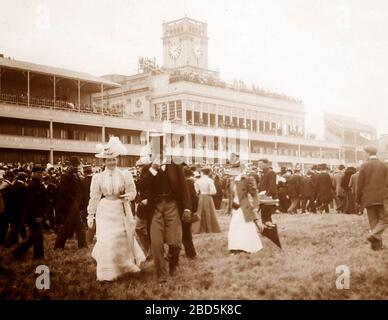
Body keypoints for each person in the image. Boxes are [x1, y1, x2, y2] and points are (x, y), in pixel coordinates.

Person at [87, 137, 145, 281]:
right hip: (105, 209)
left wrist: (128, 196)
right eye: (109, 160)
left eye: (114, 159)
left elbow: (133, 192)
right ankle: (107, 272)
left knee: (121, 238)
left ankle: (124, 266)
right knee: (107, 239)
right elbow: (94, 196)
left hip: (121, 208)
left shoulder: (125, 174)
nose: (112, 162)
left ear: (117, 159)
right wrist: (91, 215)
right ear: (104, 162)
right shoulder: (98, 177)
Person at [137, 152, 192, 283]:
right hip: (155, 208)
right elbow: (140, 186)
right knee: (156, 243)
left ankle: (173, 264)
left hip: (172, 205)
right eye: (156, 152)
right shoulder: (147, 168)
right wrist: (153, 170)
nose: (160, 155)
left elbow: (184, 188)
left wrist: (187, 208)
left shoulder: (175, 166)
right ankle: (161, 274)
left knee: (176, 242)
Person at [226, 153, 263, 254]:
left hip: (244, 207)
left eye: (235, 168)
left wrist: (255, 207)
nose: (232, 171)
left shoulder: (247, 179)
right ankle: (235, 248)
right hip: (235, 207)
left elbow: (255, 194)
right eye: (232, 168)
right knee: (234, 227)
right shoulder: (231, 181)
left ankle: (246, 248)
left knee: (245, 227)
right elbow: (231, 196)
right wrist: (230, 208)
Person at [356, 146, 388, 251]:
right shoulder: (384, 165)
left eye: (364, 153)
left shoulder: (364, 166)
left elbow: (359, 185)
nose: (363, 155)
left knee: (373, 222)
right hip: (382, 197)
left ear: (368, 153)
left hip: (368, 198)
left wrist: (358, 199)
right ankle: (376, 243)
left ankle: (375, 243)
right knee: (384, 220)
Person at [12, 165, 47, 260]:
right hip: (33, 216)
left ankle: (17, 252)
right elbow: (31, 204)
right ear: (33, 174)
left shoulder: (39, 184)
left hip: (37, 215)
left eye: (42, 173)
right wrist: (37, 216)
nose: (41, 175)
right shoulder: (32, 187)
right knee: (38, 237)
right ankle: (38, 257)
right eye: (39, 173)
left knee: (33, 237)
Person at [54, 156, 87, 250]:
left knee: (80, 226)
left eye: (77, 165)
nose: (76, 167)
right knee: (66, 227)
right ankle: (58, 246)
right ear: (69, 165)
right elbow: (63, 193)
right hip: (69, 206)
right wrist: (74, 203)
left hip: (75, 206)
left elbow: (79, 190)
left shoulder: (76, 175)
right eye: (74, 165)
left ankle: (83, 245)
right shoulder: (65, 176)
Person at [4, 172, 28, 247]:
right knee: (16, 226)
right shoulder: (22, 186)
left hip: (14, 208)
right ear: (24, 178)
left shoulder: (15, 184)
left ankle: (24, 238)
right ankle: (7, 243)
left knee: (20, 225)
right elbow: (24, 199)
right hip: (19, 208)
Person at [194, 167, 221, 234]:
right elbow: (213, 191)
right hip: (208, 197)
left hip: (201, 196)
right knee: (209, 212)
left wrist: (198, 193)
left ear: (202, 172)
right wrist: (209, 192)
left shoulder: (198, 180)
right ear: (208, 173)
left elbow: (196, 190)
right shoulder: (210, 180)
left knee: (200, 212)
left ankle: (199, 228)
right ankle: (209, 228)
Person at [182, 166, 198, 259]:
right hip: (187, 209)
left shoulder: (186, 182)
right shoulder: (189, 182)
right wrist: (194, 209)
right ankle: (191, 253)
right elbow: (194, 197)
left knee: (186, 233)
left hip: (183, 210)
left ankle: (191, 253)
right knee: (187, 233)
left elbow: (194, 197)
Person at [258, 158, 278, 223]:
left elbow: (272, 186)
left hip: (267, 197)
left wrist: (267, 196)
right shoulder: (263, 172)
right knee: (264, 214)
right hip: (262, 196)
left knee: (266, 214)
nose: (259, 165)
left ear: (266, 164)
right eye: (258, 164)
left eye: (260, 164)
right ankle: (267, 229)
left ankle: (270, 230)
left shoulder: (271, 172)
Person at [0, 170, 15, 245]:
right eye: (12, 177)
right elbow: (7, 200)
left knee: (4, 225)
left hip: (4, 209)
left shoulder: (3, 184)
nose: (13, 178)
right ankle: (2, 241)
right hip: (6, 209)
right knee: (4, 226)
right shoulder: (6, 186)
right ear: (9, 177)